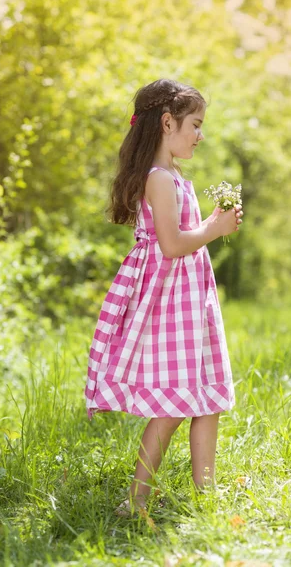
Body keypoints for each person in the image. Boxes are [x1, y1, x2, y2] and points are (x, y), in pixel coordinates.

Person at [84, 78, 244, 516]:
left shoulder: (173, 176)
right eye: (195, 124)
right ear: (167, 123)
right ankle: (136, 500)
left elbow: (180, 239)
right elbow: (171, 245)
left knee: (208, 400)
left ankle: (205, 498)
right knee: (172, 407)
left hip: (192, 302)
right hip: (171, 304)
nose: (200, 134)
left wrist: (214, 221)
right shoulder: (158, 179)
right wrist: (215, 229)